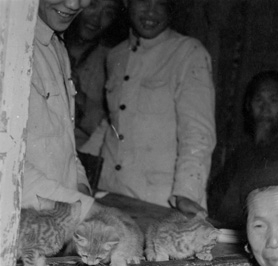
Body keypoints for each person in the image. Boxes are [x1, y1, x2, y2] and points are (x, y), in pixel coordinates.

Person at [96, 0, 216, 215]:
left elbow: (198, 133)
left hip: (160, 202)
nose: (151, 11)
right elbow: (112, 122)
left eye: (161, 3)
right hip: (110, 194)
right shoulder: (115, 55)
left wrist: (187, 192)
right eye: (143, 1)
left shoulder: (189, 52)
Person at [208, 70, 278, 228]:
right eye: (258, 99)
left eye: (273, 100)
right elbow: (216, 199)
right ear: (248, 105)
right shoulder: (242, 152)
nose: (264, 108)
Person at [23, 0, 96, 219]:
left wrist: (80, 186)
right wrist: (85, 208)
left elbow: (64, 142)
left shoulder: (57, 45)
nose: (74, 4)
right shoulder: (9, 41)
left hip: (57, 220)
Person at [64, 0, 124, 149]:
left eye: (108, 13)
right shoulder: (44, 44)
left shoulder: (113, 61)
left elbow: (115, 132)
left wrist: (81, 100)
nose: (96, 19)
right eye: (92, 5)